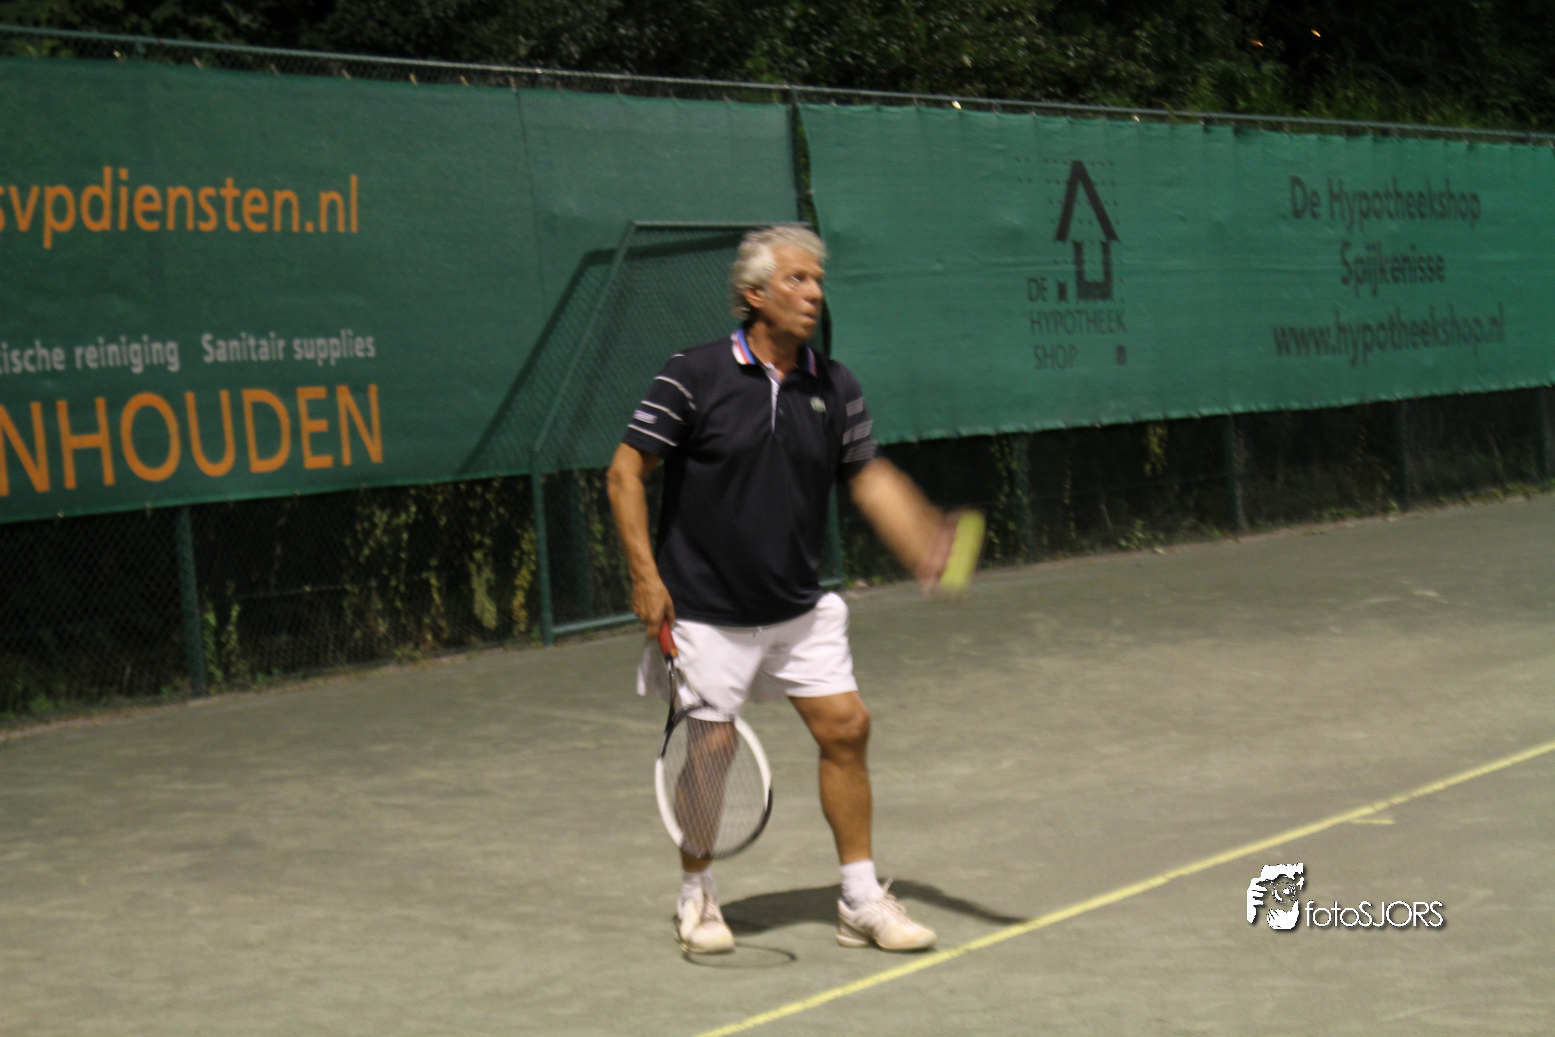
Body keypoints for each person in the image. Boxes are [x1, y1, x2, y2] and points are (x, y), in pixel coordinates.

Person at [607, 224, 958, 956]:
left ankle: (859, 898)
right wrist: (645, 576)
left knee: (847, 728)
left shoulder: (835, 384)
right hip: (706, 608)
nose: (813, 293)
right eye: (798, 279)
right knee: (710, 747)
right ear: (754, 294)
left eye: (818, 281)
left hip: (799, 606)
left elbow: (867, 476)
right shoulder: (693, 374)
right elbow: (624, 472)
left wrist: (921, 537)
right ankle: (696, 893)